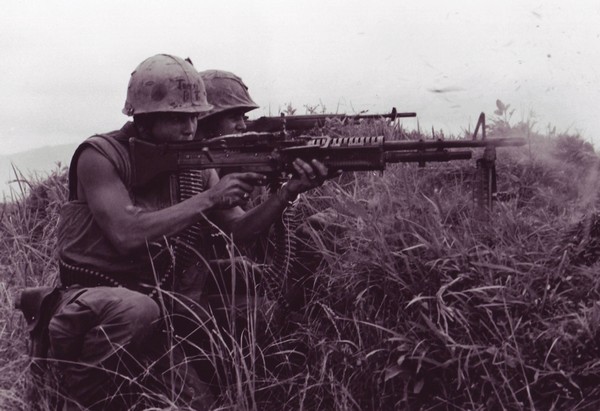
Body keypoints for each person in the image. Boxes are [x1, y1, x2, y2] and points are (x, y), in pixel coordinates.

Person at [47, 54, 330, 410]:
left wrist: (288, 193)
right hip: (98, 301)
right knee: (137, 310)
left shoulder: (193, 162)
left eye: (195, 116)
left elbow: (240, 229)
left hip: (163, 303)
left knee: (199, 401)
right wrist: (210, 198)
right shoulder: (100, 156)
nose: (190, 128)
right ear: (145, 117)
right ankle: (71, 396)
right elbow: (126, 233)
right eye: (179, 117)